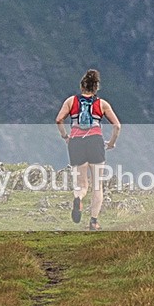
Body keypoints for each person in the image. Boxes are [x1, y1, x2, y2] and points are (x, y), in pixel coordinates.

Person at [55, 69, 121, 230]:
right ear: (96, 87)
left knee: (81, 185)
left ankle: (78, 199)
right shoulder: (102, 104)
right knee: (97, 185)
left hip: (76, 143)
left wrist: (65, 137)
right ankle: (93, 222)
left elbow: (59, 120)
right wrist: (111, 143)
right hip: (95, 142)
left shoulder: (71, 101)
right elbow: (117, 126)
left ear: (82, 86)